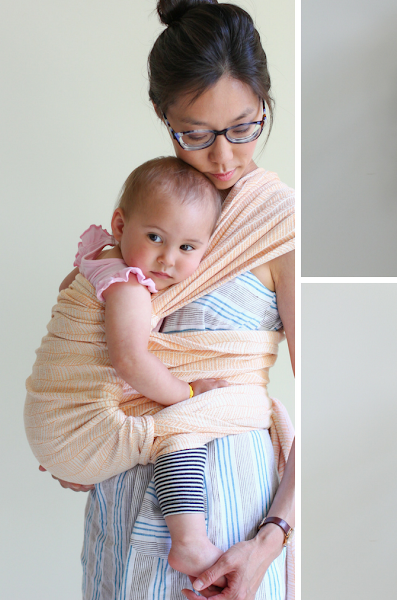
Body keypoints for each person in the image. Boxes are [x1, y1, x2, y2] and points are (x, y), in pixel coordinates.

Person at [40, 0, 295, 600]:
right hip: (124, 482)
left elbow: (336, 398)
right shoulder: (155, 208)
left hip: (229, 505)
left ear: (265, 100)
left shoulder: (283, 229)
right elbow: (89, 342)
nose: (224, 156)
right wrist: (76, 439)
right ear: (165, 118)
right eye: (196, 134)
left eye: (243, 127)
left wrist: (271, 539)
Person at [27, 156, 251, 584]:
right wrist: (187, 394)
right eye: (155, 237)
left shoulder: (95, 262)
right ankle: (188, 541)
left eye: (187, 248)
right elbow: (129, 360)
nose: (167, 260)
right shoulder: (128, 286)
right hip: (73, 428)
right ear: (119, 224)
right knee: (179, 427)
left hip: (51, 417)